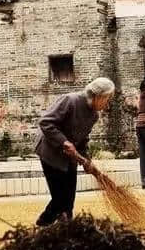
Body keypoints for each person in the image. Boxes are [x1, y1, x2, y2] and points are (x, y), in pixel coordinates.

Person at [34, 77, 115, 226]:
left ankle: (66, 227)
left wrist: (86, 159)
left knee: (69, 199)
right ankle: (43, 224)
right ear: (98, 96)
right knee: (59, 198)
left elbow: (83, 139)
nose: (107, 104)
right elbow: (45, 122)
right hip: (51, 153)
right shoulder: (70, 101)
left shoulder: (93, 115)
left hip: (71, 157)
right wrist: (64, 142)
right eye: (107, 99)